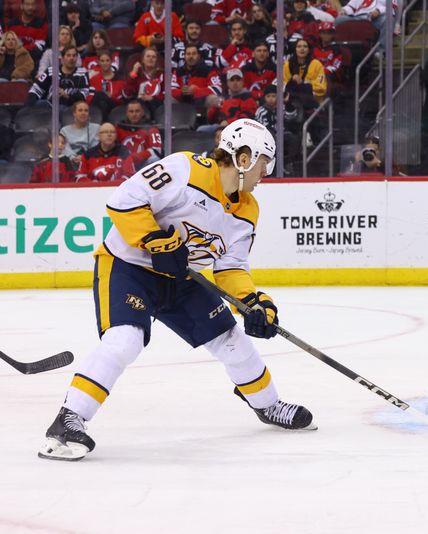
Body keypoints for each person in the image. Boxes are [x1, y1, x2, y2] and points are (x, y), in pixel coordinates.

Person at [38, 118, 316, 462]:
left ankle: (267, 404)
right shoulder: (186, 169)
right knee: (126, 338)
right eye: (263, 164)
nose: (266, 173)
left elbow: (230, 267)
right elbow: (123, 200)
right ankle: (68, 420)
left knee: (230, 338)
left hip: (182, 279)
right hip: (129, 267)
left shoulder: (247, 209)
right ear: (244, 158)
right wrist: (155, 240)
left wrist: (254, 303)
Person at [26, 45, 91, 109]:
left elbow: (84, 94)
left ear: (77, 58)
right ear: (62, 58)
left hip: (72, 109)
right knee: (40, 104)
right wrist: (30, 106)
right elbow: (36, 89)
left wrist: (67, 96)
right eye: (68, 55)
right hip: (51, 108)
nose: (71, 58)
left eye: (74, 56)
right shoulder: (51, 71)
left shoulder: (83, 73)